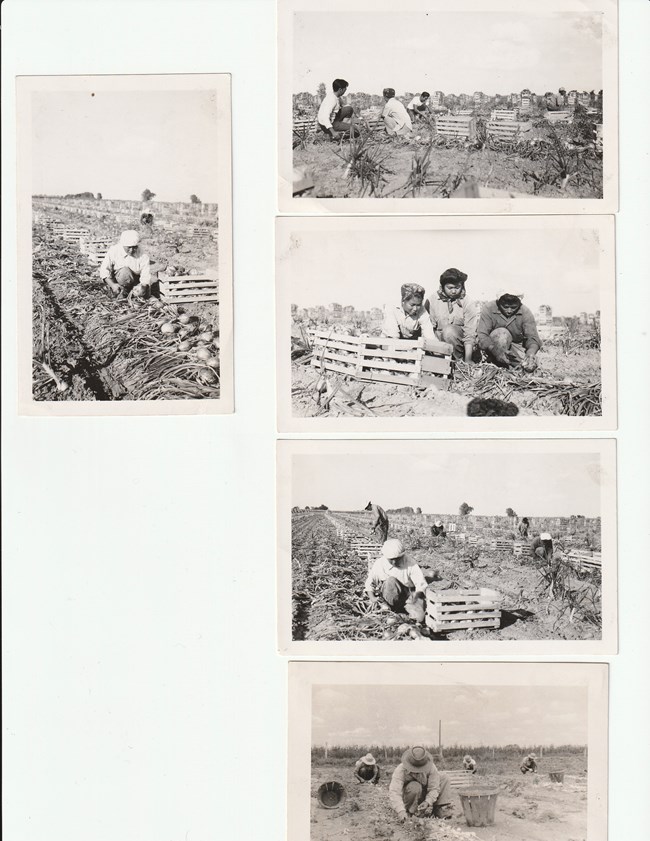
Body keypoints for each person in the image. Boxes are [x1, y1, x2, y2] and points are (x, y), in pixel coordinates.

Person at [477, 290, 542, 372]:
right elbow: (482, 336)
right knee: (501, 334)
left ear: (519, 303)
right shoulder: (489, 308)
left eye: (514, 307)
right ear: (499, 303)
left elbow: (533, 338)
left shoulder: (525, 312)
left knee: (526, 366)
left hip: (515, 347)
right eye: (505, 307)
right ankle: (496, 363)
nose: (509, 311)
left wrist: (531, 353)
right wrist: (495, 351)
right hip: (492, 346)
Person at [364, 539, 427, 623]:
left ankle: (401, 615)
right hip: (388, 599)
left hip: (406, 597)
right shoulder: (380, 564)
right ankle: (392, 612)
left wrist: (417, 596)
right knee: (391, 581)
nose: (394, 562)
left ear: (402, 555)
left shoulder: (410, 562)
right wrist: (372, 598)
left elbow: (421, 583)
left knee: (420, 617)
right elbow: (369, 583)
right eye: (391, 559)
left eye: (397, 559)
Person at [427, 268, 479, 362]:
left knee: (449, 331)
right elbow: (428, 329)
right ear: (442, 287)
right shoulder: (432, 301)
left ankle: (458, 363)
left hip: (460, 348)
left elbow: (469, 334)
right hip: (438, 345)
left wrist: (467, 360)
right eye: (450, 288)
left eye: (457, 287)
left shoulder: (468, 302)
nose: (454, 291)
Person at [389, 746, 454, 822]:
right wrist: (400, 810)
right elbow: (394, 792)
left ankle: (439, 809)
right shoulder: (400, 770)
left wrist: (427, 802)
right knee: (415, 786)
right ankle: (410, 812)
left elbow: (434, 788)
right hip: (409, 796)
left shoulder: (431, 767)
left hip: (424, 794)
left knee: (444, 777)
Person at [99, 230, 152, 298]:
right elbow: (104, 271)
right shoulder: (114, 250)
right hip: (118, 281)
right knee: (125, 272)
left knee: (145, 293)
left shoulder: (142, 253)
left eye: (134, 247)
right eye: (129, 247)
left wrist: (143, 286)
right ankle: (122, 292)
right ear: (123, 245)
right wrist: (112, 285)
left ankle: (132, 294)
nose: (131, 250)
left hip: (135, 281)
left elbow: (146, 273)